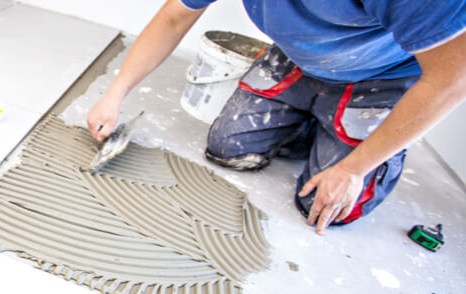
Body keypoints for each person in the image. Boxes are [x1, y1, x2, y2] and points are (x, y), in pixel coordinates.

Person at [87, 0, 466, 235]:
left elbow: (452, 80)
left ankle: (357, 141)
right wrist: (115, 93)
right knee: (228, 148)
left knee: (323, 207)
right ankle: (317, 118)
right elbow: (174, 17)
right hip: (300, 57)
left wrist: (353, 170)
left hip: (379, 77)